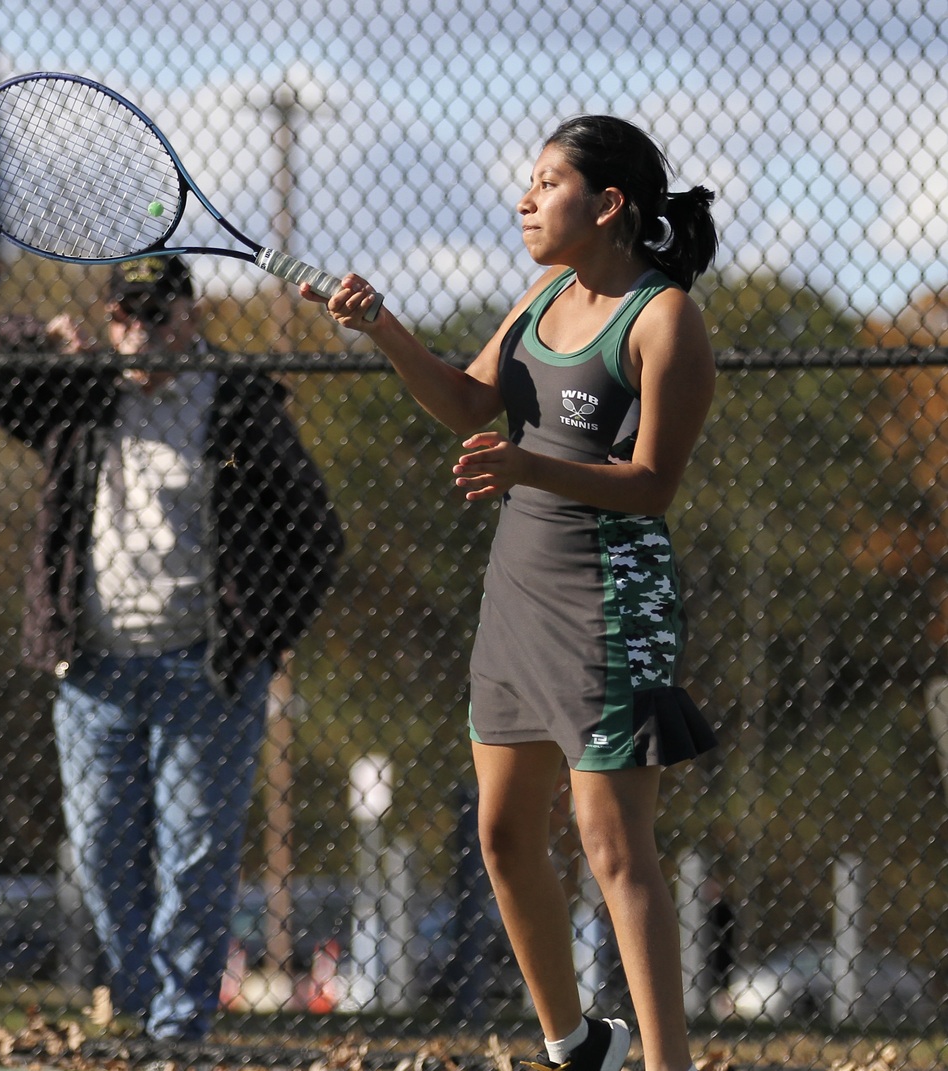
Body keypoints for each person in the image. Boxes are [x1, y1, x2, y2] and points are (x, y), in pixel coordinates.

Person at [304, 115, 720, 1071]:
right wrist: (380, 326)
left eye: (546, 183)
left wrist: (529, 467)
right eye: (527, 183)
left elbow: (655, 482)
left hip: (611, 601)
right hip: (518, 596)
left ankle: (667, 1064)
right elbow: (461, 401)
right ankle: (577, 1044)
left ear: (608, 204)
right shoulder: (540, 298)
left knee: (613, 846)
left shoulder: (664, 319)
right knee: (499, 834)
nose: (524, 199)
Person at [0, 255, 342, 1042]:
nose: (141, 331)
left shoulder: (237, 405)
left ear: (189, 318)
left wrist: (259, 641)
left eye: (158, 315)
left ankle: (176, 1026)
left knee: (195, 858)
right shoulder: (78, 392)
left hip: (206, 670)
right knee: (100, 849)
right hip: (94, 668)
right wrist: (42, 337)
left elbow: (316, 534)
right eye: (125, 316)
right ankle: (139, 994)